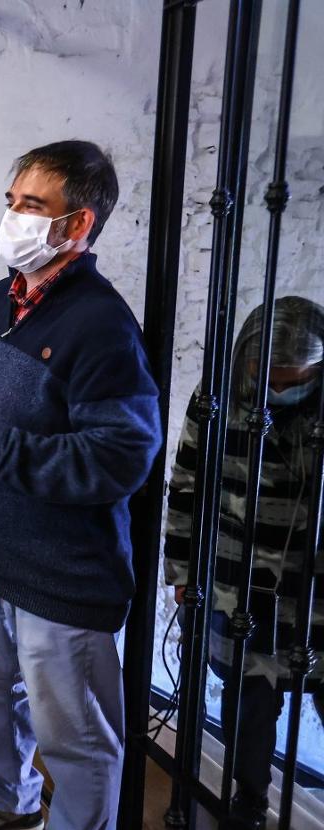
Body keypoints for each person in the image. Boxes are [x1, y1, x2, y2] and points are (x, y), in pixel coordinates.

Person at [0, 141, 161, 830]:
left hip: (64, 577)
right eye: (12, 203)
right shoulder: (3, 298)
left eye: (34, 206)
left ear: (77, 225)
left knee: (77, 741)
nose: (14, 219)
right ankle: (9, 805)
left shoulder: (101, 325)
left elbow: (119, 458)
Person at [164, 296, 324, 830]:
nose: (278, 385)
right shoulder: (218, 398)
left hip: (314, 592)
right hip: (238, 586)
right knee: (247, 706)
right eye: (267, 373)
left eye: (292, 375)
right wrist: (184, 576)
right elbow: (186, 486)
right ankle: (250, 799)